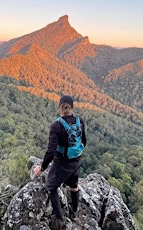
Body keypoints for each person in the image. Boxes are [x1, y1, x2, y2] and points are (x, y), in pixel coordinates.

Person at [33, 95, 87, 229]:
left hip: (62, 163)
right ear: (72, 107)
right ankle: (74, 212)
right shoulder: (79, 121)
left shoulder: (56, 126)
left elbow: (51, 151)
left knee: (51, 187)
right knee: (74, 186)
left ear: (60, 107)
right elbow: (84, 141)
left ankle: (61, 221)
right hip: (76, 160)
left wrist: (42, 168)